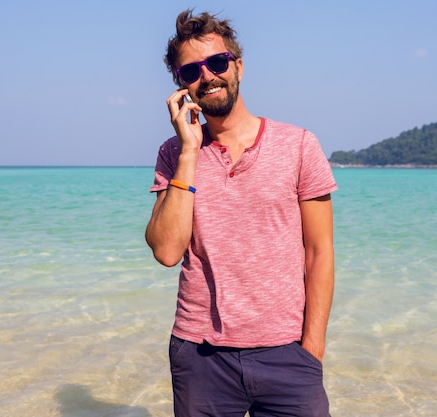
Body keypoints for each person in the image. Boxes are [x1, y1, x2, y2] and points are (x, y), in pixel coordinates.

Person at [145, 9, 337, 417]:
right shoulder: (174, 153)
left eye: (217, 63)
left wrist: (312, 349)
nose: (208, 77)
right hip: (200, 357)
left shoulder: (299, 145)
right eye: (191, 71)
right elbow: (166, 251)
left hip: (288, 354)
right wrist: (190, 151)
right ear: (181, 86)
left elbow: (319, 253)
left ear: (239, 67)